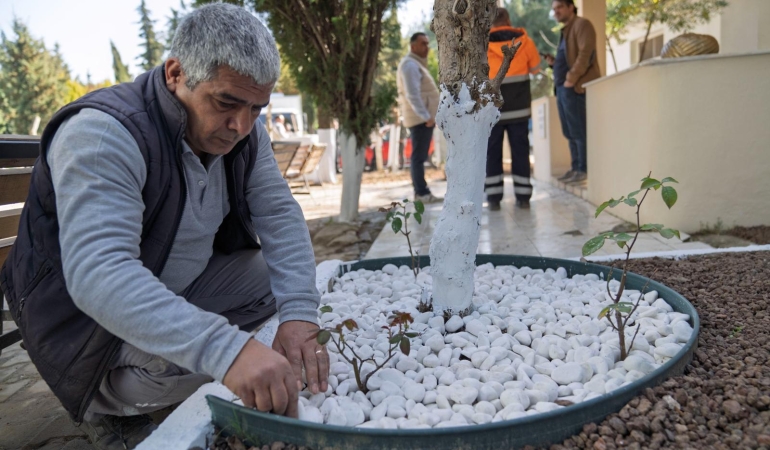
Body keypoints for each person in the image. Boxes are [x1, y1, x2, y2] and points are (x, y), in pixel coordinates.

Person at [0, 4, 327, 449]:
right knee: (217, 355)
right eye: (226, 102)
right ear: (175, 73)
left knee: (293, 291)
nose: (241, 126)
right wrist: (226, 350)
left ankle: (188, 359)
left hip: (176, 285)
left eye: (257, 107)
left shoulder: (246, 129)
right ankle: (108, 407)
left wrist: (301, 316)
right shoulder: (105, 133)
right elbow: (99, 275)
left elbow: (278, 213)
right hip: (85, 330)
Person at [485, 7, 541, 210]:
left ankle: (493, 198)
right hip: (519, 109)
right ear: (509, 20)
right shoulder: (524, 41)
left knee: (492, 153)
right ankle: (523, 197)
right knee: (520, 152)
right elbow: (536, 68)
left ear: (490, 22)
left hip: (493, 110)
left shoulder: (483, 44)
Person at [543, 0, 601, 184]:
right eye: (554, 9)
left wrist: (571, 78)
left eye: (559, 7)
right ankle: (576, 168)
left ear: (570, 7)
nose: (556, 12)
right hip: (562, 89)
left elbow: (587, 53)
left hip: (574, 87)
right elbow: (569, 57)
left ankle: (583, 170)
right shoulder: (566, 30)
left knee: (578, 131)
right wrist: (554, 63)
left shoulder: (582, 24)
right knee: (569, 132)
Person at [396, 32, 442, 204]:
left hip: (423, 119)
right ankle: (421, 193)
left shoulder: (416, 64)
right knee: (418, 157)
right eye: (423, 43)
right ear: (413, 46)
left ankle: (421, 192)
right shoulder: (410, 66)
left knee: (419, 156)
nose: (427, 47)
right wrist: (426, 116)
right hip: (420, 120)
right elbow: (412, 95)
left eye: (427, 43)